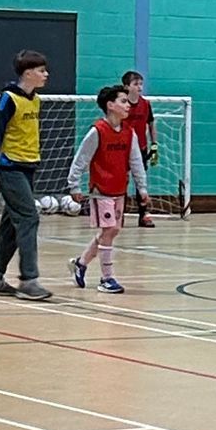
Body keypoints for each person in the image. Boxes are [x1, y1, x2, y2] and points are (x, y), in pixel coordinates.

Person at [0, 50, 53, 300]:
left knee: (11, 224)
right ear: (28, 72)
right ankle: (29, 281)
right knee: (29, 218)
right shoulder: (9, 98)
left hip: (28, 166)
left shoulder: (36, 100)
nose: (46, 75)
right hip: (9, 168)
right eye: (42, 71)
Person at [68, 84, 146, 295]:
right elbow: (81, 159)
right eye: (123, 101)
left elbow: (136, 161)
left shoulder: (129, 133)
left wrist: (142, 188)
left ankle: (81, 263)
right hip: (100, 189)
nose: (128, 105)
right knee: (109, 231)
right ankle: (107, 278)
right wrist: (73, 184)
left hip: (120, 189)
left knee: (111, 230)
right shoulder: (98, 131)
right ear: (110, 105)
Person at [120, 69, 158, 228]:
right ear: (126, 86)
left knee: (140, 181)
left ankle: (144, 215)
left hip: (140, 149)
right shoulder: (121, 105)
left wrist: (154, 145)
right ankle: (118, 213)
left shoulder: (146, 104)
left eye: (141, 84)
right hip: (122, 148)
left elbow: (151, 124)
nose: (140, 87)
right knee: (121, 181)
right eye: (136, 84)